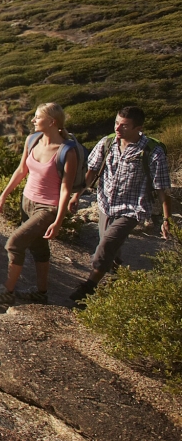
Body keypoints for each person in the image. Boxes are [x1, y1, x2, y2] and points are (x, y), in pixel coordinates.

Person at [69, 105, 171, 306]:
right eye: (116, 123)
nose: (117, 128)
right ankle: (117, 274)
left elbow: (162, 189)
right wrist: (77, 195)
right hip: (106, 203)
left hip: (132, 209)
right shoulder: (107, 143)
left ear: (138, 128)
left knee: (106, 244)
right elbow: (92, 171)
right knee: (108, 245)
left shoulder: (152, 152)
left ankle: (88, 288)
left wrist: (166, 219)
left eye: (124, 125)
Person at [0, 102, 77, 307]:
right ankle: (41, 293)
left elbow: (66, 189)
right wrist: (4, 194)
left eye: (37, 117)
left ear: (51, 122)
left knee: (14, 243)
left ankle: (7, 291)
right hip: (27, 201)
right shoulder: (32, 140)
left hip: (47, 208)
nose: (33, 120)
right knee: (38, 247)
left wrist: (58, 221)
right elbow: (21, 170)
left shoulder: (66, 152)